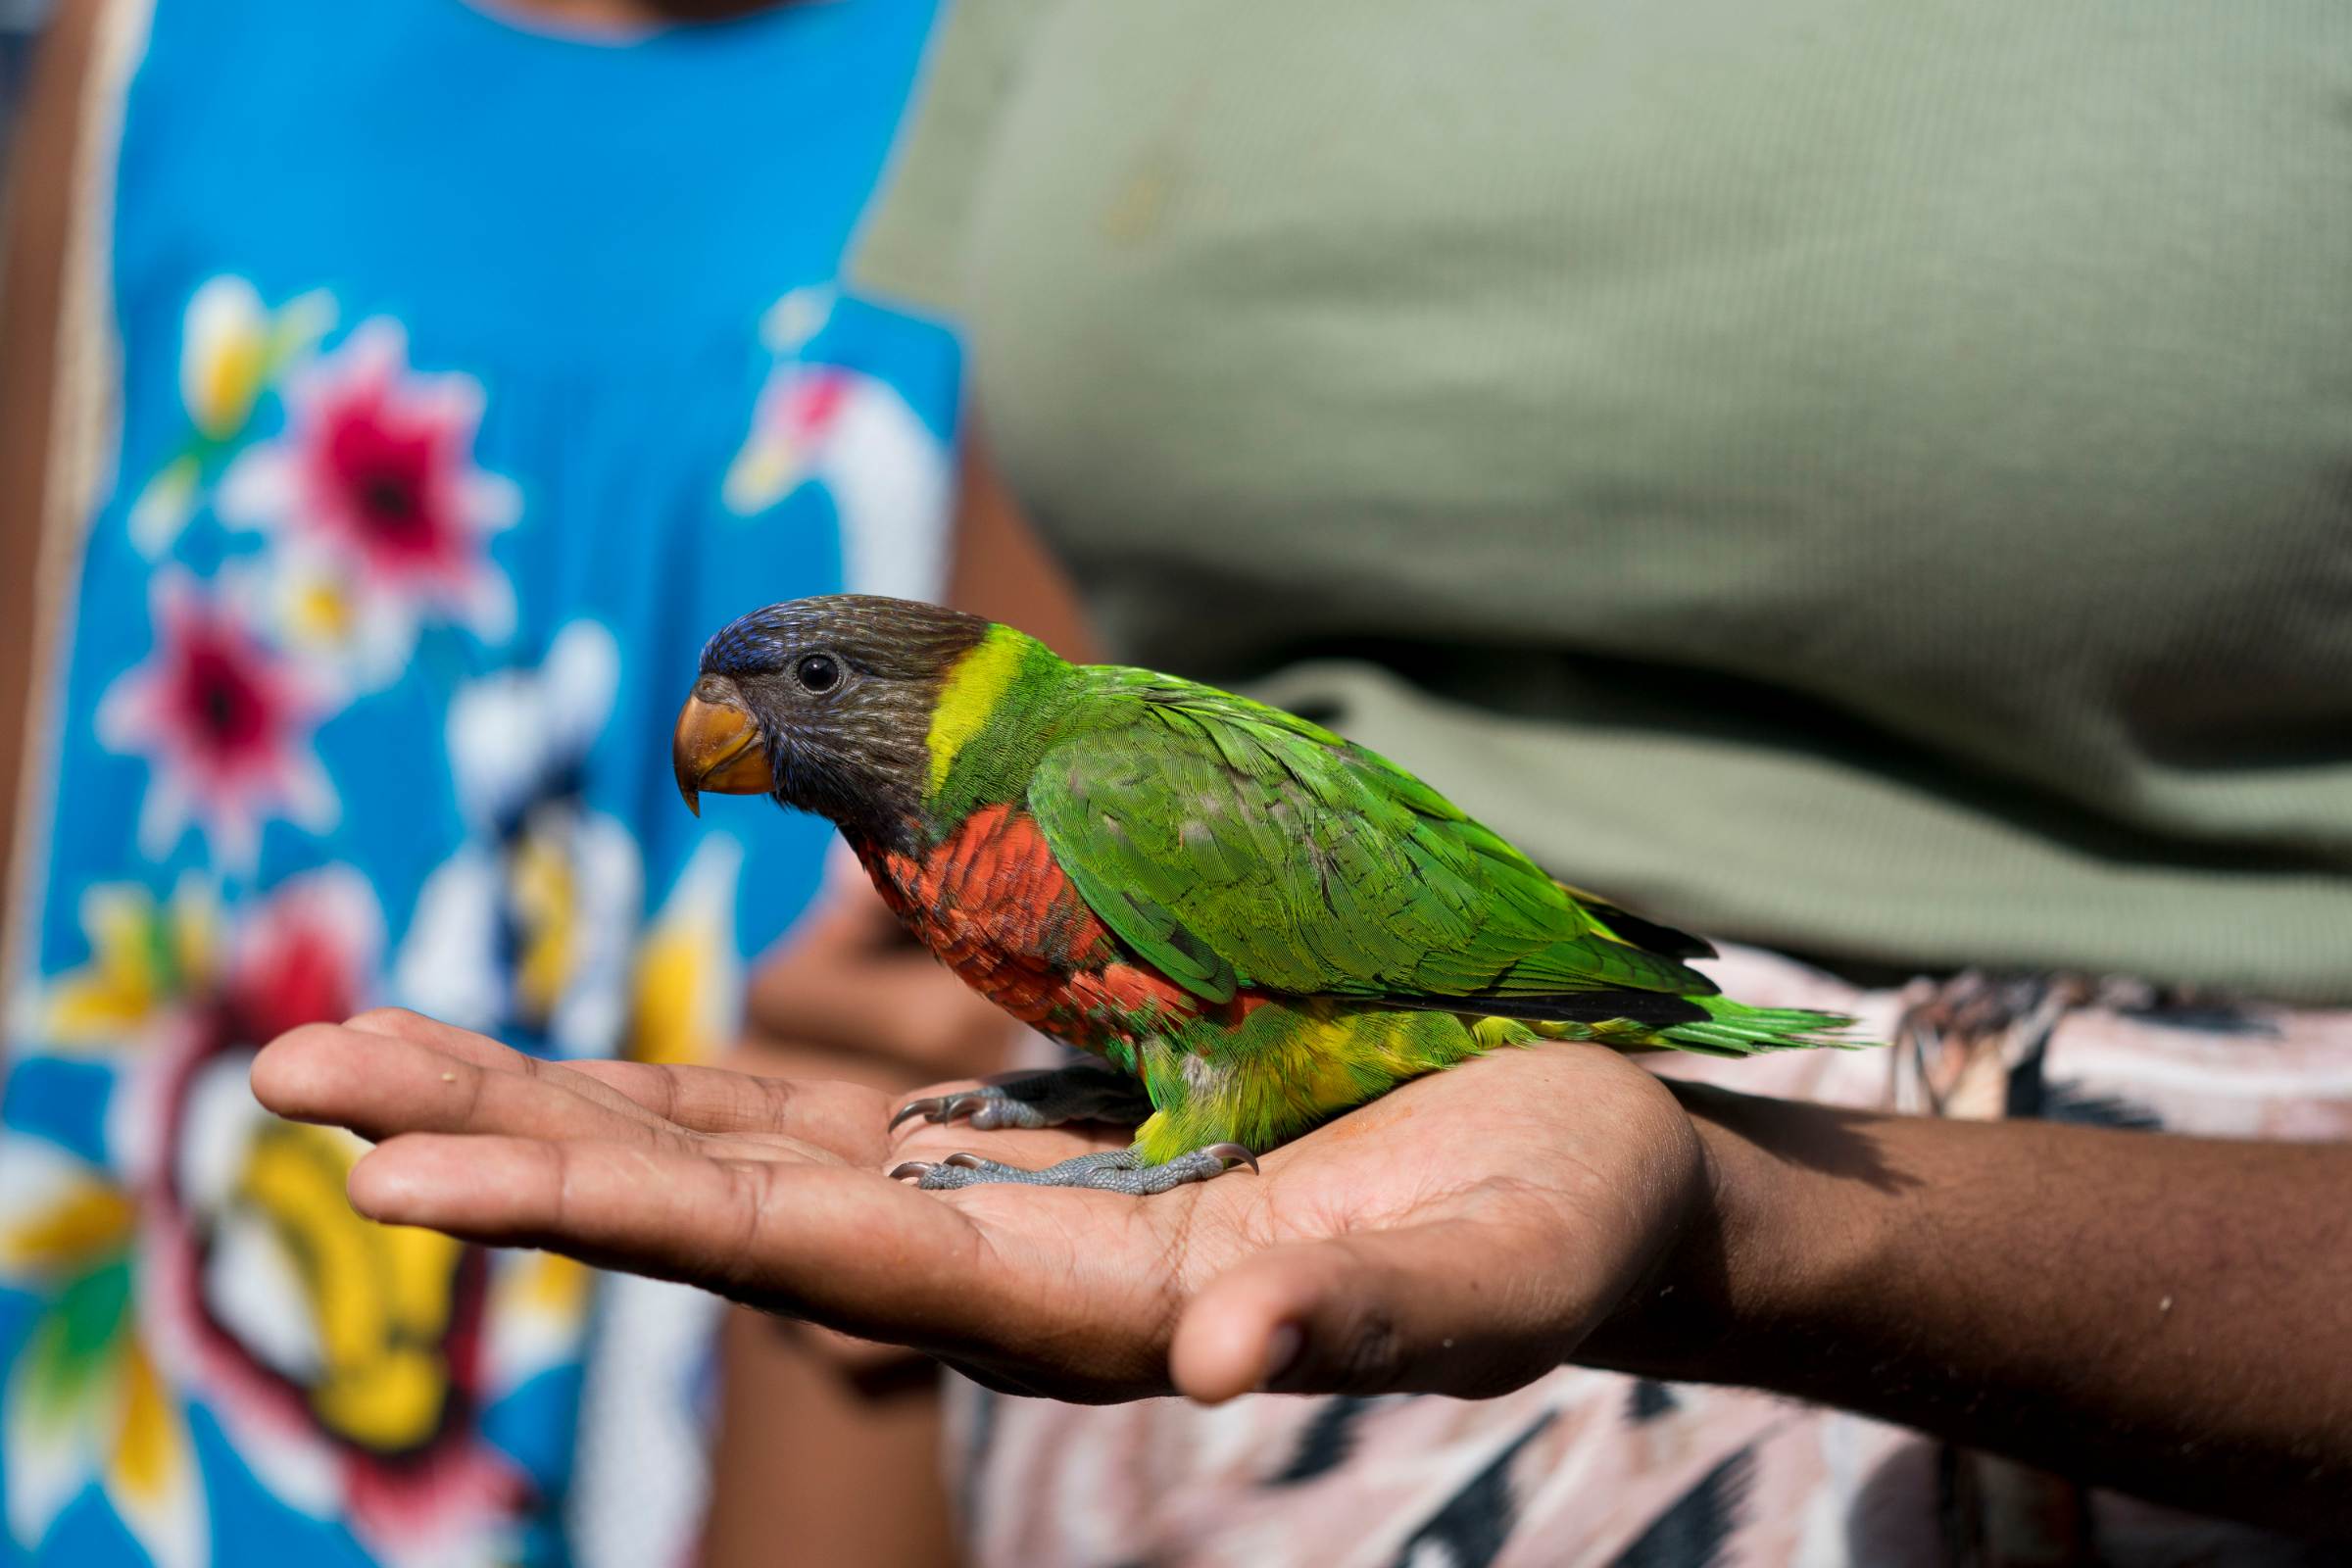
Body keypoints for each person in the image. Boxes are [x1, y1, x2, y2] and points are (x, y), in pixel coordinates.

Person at [254, 2, 2352, 1565]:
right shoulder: (952, 847)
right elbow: (884, 1023)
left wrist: (1734, 1201)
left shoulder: (1105, 798)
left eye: (791, 681)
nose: (736, 725)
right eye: (751, 688)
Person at [0, 1, 968, 1563]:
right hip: (129, 1446)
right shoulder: (148, 53)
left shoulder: (1062, 139)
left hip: (738, 1439)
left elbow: (947, 1069)